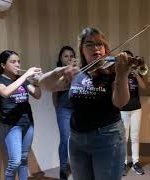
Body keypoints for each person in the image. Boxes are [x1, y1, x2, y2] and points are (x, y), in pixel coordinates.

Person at [38, 27, 131, 180]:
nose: (96, 48)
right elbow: (44, 85)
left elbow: (120, 103)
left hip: (107, 138)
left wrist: (122, 75)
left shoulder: (113, 71)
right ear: (81, 49)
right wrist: (60, 71)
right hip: (77, 140)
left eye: (99, 44)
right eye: (89, 44)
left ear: (105, 47)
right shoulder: (76, 72)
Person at [0, 50, 42, 180]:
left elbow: (37, 95)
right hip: (11, 125)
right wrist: (25, 76)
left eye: (18, 62)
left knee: (24, 159)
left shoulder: (21, 79)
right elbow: (5, 92)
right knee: (15, 162)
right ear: (3, 65)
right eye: (13, 62)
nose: (17, 65)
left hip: (27, 123)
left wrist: (38, 81)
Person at [120, 50, 146, 176]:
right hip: (123, 109)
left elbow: (143, 86)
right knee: (124, 138)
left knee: (135, 137)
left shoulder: (135, 71)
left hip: (136, 108)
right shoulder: (120, 73)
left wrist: (136, 74)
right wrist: (123, 73)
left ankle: (135, 162)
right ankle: (124, 163)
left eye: (129, 58)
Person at [52, 46, 76, 179]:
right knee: (64, 139)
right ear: (61, 58)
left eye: (71, 56)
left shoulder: (78, 71)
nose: (69, 58)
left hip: (78, 110)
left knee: (77, 140)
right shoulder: (56, 73)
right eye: (66, 56)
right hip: (64, 110)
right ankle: (63, 168)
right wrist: (58, 109)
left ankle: (77, 166)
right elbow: (54, 93)